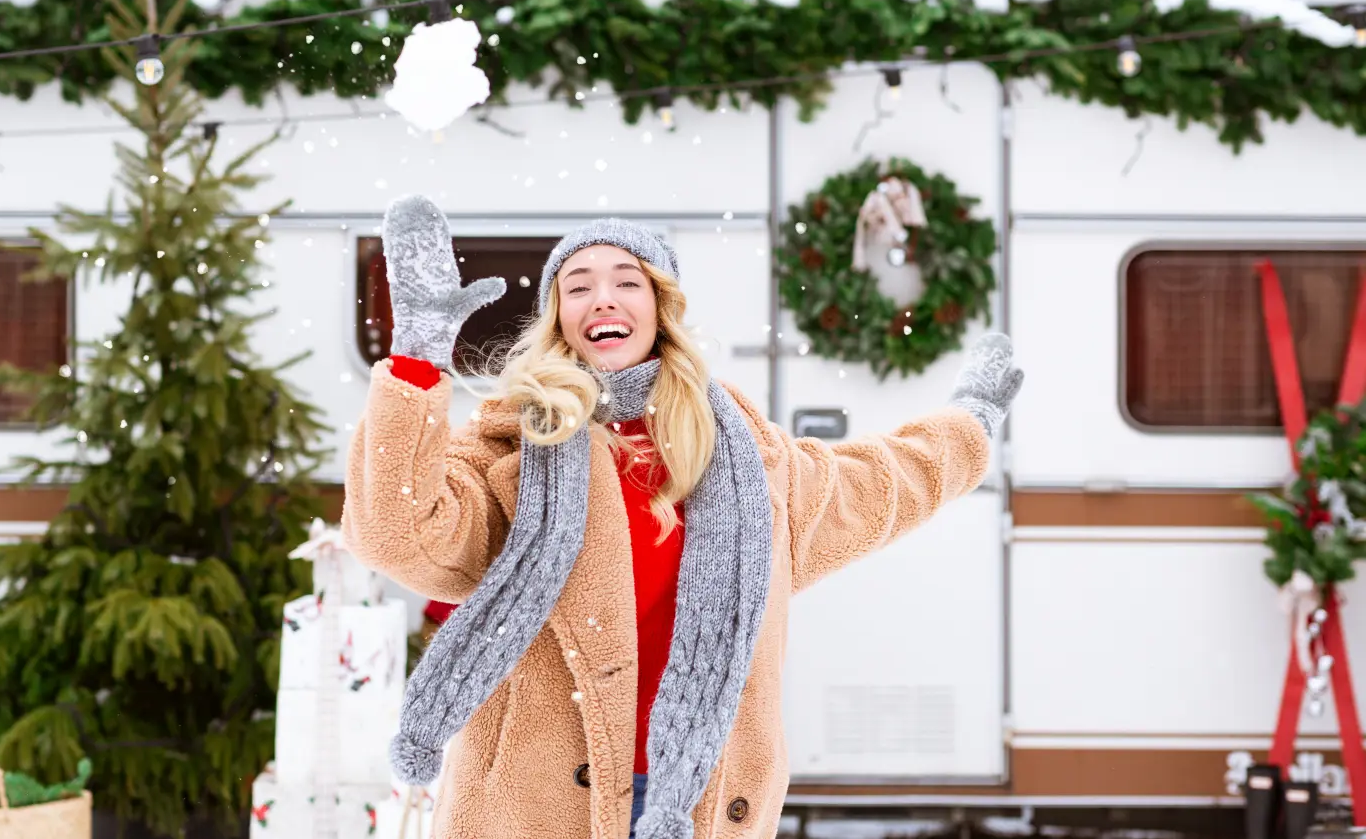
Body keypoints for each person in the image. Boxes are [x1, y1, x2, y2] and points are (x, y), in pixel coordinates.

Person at [341, 195, 1023, 839]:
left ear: (660, 306)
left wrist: (969, 424)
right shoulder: (514, 446)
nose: (603, 297)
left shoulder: (750, 462)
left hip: (694, 802)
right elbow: (398, 532)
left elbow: (877, 482)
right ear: (558, 318)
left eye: (626, 281)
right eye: (578, 286)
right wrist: (417, 358)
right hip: (534, 805)